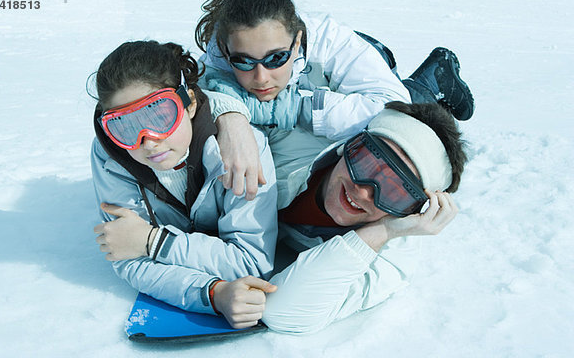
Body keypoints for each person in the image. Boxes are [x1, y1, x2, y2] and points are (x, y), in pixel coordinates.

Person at [99, 99, 468, 334]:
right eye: (365, 160)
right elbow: (216, 83)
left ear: (412, 209)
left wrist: (379, 232)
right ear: (351, 144)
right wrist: (233, 120)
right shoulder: (293, 141)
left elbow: (286, 313)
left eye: (395, 191)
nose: (363, 189)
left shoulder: (392, 258)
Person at [193, 0, 474, 196]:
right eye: (243, 62)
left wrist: (296, 108)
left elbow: (390, 106)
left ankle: (437, 77)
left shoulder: (330, 40)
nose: (261, 77)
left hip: (360, 75)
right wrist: (232, 120)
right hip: (325, 81)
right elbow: (205, 88)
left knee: (413, 109)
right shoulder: (221, 52)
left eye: (277, 58)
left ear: (298, 41)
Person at [89, 40, 280, 329]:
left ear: (188, 102)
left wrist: (153, 242)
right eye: (124, 126)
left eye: (160, 114)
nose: (148, 141)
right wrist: (212, 294)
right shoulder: (111, 158)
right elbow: (126, 254)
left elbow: (251, 262)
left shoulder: (242, 151)